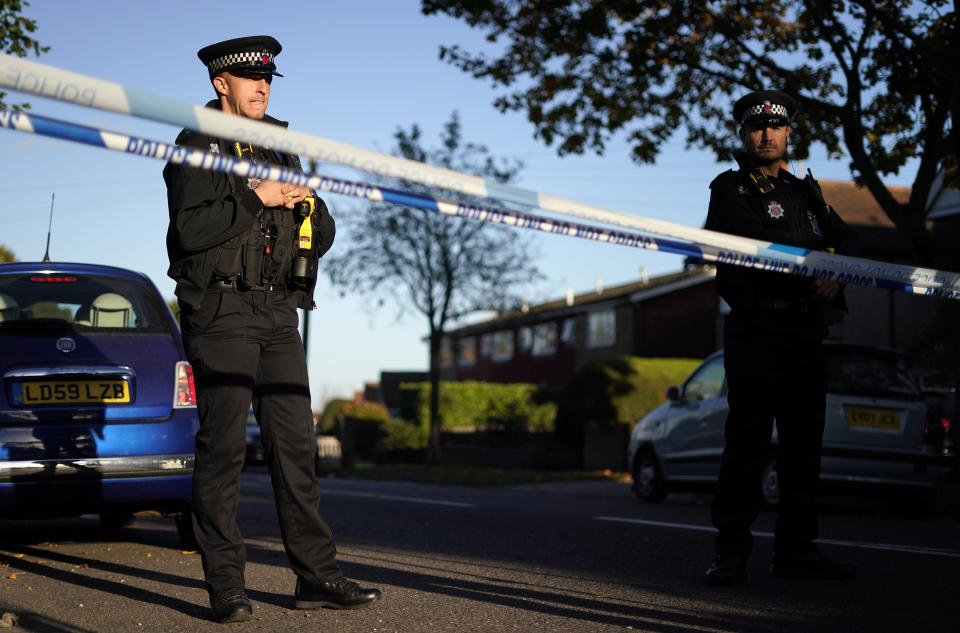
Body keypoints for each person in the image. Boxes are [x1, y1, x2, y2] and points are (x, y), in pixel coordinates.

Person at [163, 35, 381, 622]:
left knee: (296, 450)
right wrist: (258, 197)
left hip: (279, 313)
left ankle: (317, 577)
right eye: (251, 79)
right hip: (221, 311)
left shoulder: (282, 148)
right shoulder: (197, 145)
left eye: (269, 80)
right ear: (221, 85)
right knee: (223, 452)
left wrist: (312, 210)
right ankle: (226, 586)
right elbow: (188, 230)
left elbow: (324, 236)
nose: (263, 87)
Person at [703, 90, 857, 586]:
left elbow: (845, 241)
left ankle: (796, 548)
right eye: (756, 127)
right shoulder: (731, 188)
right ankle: (730, 553)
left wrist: (834, 271)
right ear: (743, 134)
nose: (766, 135)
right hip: (758, 329)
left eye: (775, 126)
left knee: (803, 445)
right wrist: (816, 260)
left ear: (790, 131)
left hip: (807, 331)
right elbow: (749, 241)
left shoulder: (807, 193)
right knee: (747, 442)